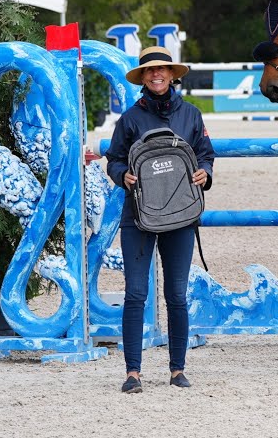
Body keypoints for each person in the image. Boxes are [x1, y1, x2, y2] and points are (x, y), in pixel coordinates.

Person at [104, 46, 215, 394]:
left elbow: (206, 156)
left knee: (176, 295)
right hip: (137, 216)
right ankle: (133, 372)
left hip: (181, 216)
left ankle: (177, 369)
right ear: (143, 77)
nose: (156, 75)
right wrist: (123, 175)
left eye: (162, 70)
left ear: (172, 75)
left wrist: (204, 173)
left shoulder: (192, 115)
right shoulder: (130, 119)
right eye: (150, 71)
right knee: (135, 293)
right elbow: (114, 160)